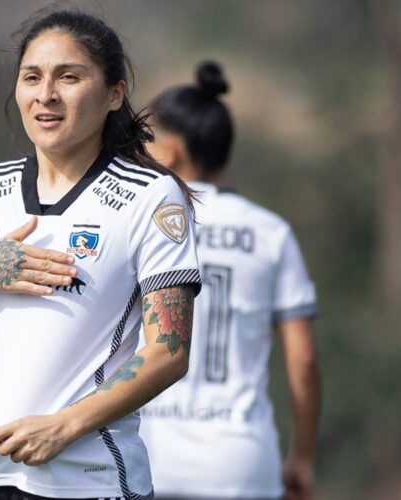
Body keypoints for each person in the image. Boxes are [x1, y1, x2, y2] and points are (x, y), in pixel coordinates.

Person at [0, 9, 202, 500]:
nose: (45, 94)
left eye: (68, 77)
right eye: (32, 77)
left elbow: (168, 353)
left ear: (115, 93)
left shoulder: (151, 196)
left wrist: (63, 427)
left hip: (92, 482)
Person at [138, 61, 322, 500]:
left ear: (169, 152)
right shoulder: (270, 232)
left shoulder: (143, 224)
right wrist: (302, 456)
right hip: (242, 467)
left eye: (142, 141)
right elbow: (305, 364)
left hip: (148, 459)